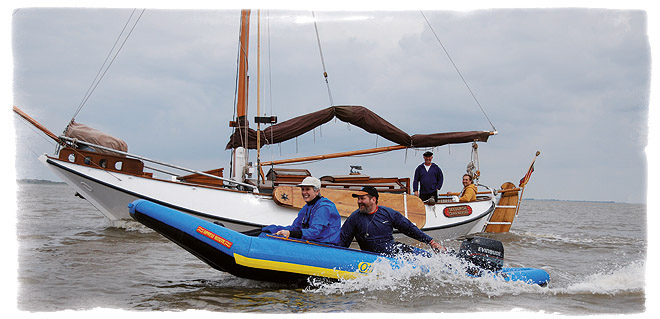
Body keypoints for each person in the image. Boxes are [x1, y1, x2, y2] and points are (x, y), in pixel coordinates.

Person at [338, 186, 444, 255]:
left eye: (362, 198)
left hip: (395, 251)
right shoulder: (354, 218)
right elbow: (343, 241)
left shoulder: (388, 213)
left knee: (428, 257)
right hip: (372, 257)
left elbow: (409, 228)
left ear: (373, 199)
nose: (359, 201)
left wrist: (431, 242)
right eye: (358, 199)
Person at [262, 176, 341, 245]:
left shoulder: (324, 207)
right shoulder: (307, 207)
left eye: (307, 189)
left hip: (324, 245)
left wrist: (290, 234)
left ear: (317, 191)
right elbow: (295, 228)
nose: (304, 192)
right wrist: (271, 229)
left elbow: (314, 232)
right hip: (312, 242)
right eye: (302, 189)